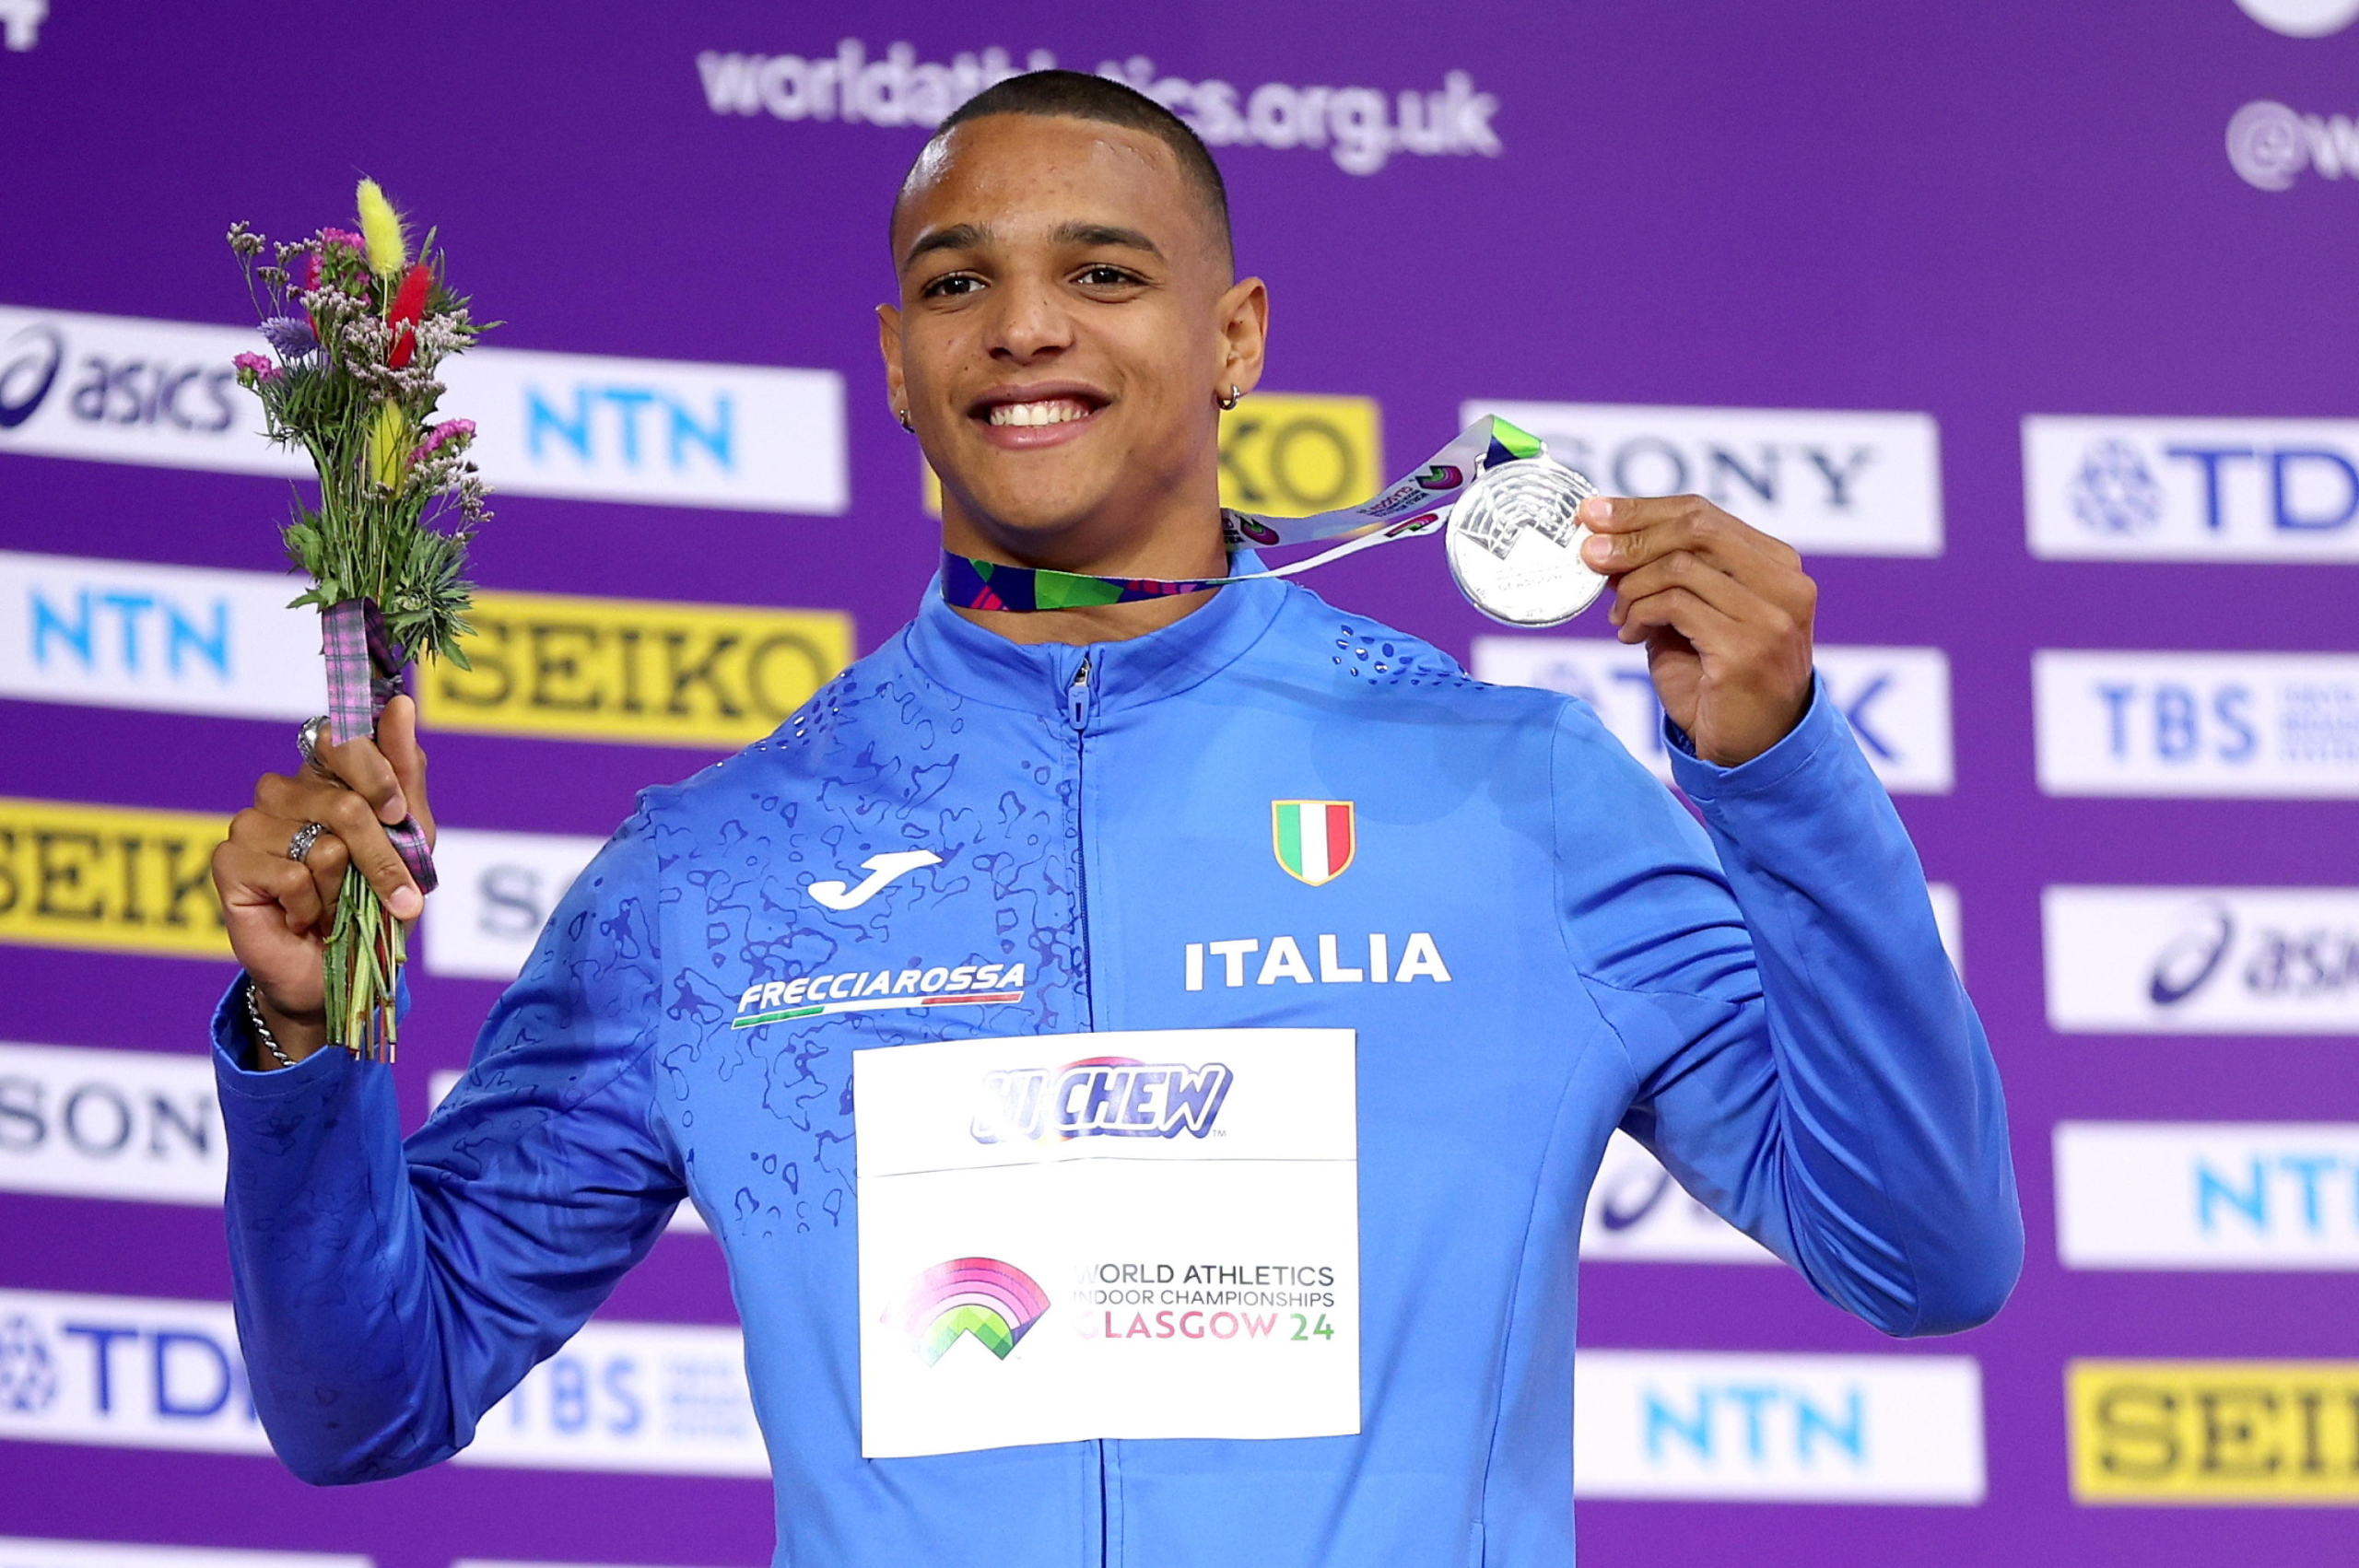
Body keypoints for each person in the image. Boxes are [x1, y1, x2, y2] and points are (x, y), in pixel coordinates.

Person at [206, 70, 2020, 1567]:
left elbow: (1923, 1249)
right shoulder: (712, 873)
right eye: (952, 283)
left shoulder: (1516, 795)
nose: (1021, 328)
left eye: (1100, 271)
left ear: (1233, 337)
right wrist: (309, 1037)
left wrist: (1776, 768)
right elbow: (366, 1397)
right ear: (896, 362)